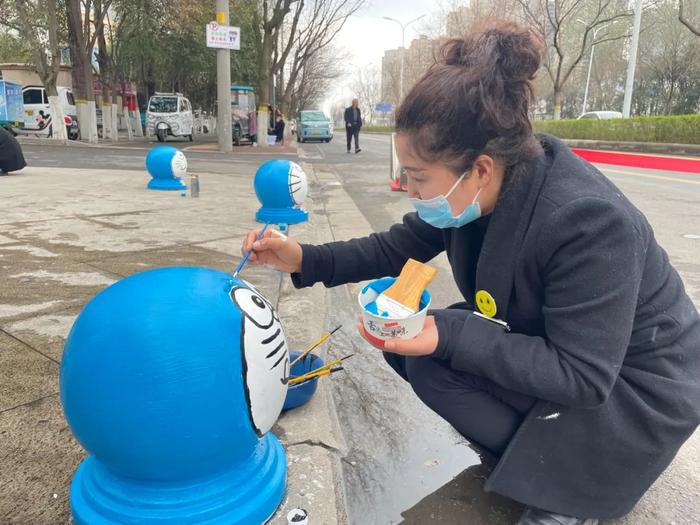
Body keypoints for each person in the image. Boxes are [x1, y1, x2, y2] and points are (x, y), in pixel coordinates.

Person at [242, 20, 700, 525]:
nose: (410, 190)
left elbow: (583, 375)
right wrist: (303, 257)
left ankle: (566, 496)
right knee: (421, 358)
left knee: (441, 340)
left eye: (418, 177)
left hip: (631, 390)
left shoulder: (586, 220)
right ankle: (524, 459)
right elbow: (394, 248)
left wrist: (446, 332)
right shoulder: (482, 193)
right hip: (559, 350)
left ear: (479, 168)